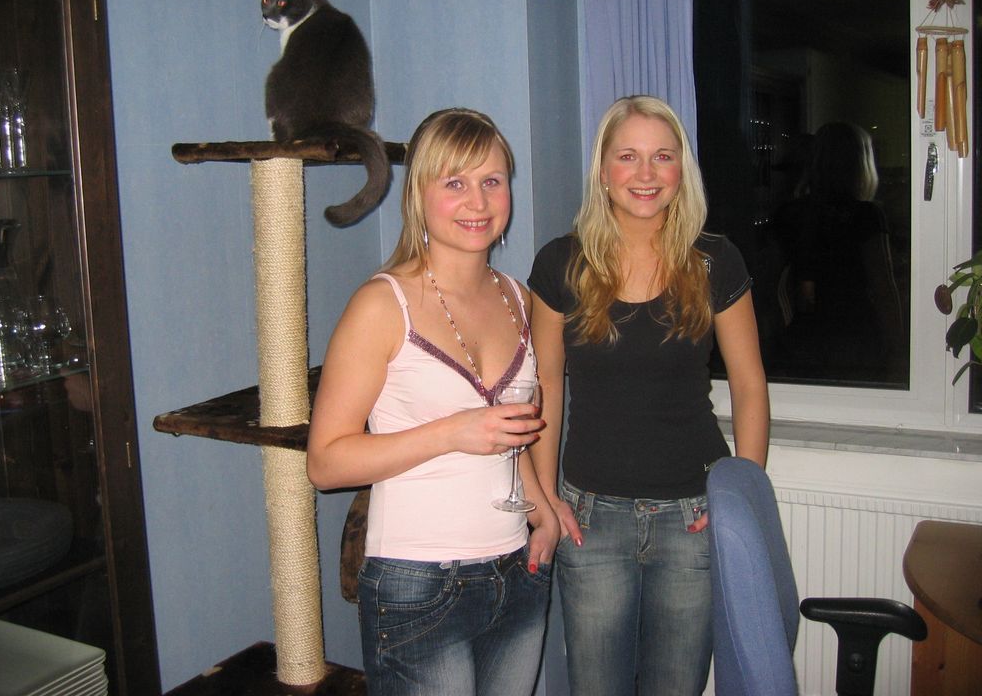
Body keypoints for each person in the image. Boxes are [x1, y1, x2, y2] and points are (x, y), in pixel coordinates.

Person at [308, 108, 559, 696]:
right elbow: (326, 463)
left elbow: (511, 431)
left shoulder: (518, 298)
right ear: (418, 195)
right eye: (455, 182)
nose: (478, 201)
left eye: (492, 180)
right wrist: (450, 432)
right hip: (418, 584)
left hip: (516, 570)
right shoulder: (381, 304)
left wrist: (542, 510)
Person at [528, 95, 769, 696]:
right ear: (602, 169)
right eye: (627, 156)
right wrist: (545, 496)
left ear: (681, 169)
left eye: (662, 156)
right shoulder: (561, 263)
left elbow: (749, 385)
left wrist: (741, 496)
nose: (645, 173)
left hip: (692, 514)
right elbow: (545, 385)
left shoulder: (715, 260)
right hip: (589, 517)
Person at [772, 121, 904, 383]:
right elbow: (884, 288)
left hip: (804, 338)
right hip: (855, 337)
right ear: (860, 164)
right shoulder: (865, 216)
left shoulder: (791, 214)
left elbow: (772, 283)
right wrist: (899, 351)